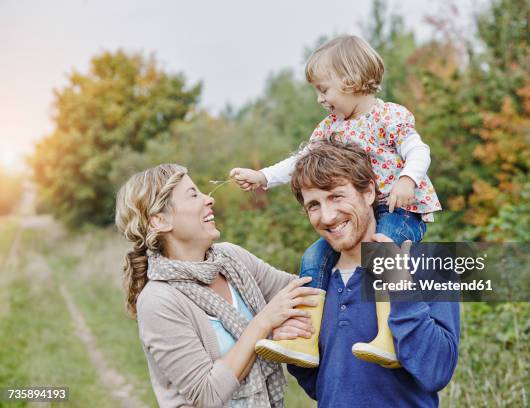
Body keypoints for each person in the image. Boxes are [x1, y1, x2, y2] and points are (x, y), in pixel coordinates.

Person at [230, 35, 441, 368]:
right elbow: (301, 160)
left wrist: (407, 179)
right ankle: (305, 339)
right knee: (312, 256)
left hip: (400, 209)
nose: (319, 98)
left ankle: (389, 338)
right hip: (361, 211)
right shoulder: (330, 128)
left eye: (324, 89)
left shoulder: (389, 116)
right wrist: (263, 177)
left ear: (350, 80)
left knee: (382, 250)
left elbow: (418, 151)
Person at [114, 163, 323, 408]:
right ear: (160, 221)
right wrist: (264, 325)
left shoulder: (232, 259)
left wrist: (374, 251)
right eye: (193, 195)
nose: (208, 200)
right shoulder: (158, 301)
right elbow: (207, 395)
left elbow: (304, 295)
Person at [282, 142, 459, 407]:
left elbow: (437, 371)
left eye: (336, 196)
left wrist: (399, 287)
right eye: (314, 205)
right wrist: (292, 346)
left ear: (368, 192)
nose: (328, 216)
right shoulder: (314, 282)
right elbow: (323, 386)